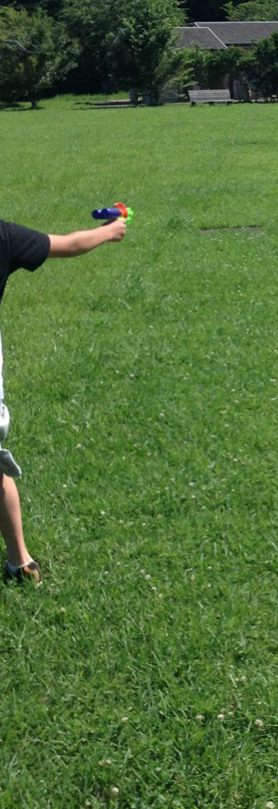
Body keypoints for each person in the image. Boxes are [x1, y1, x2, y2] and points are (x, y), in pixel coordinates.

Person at [0, 216, 127, 585]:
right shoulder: (4, 236)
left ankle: (20, 561)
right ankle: (21, 562)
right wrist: (110, 231)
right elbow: (70, 244)